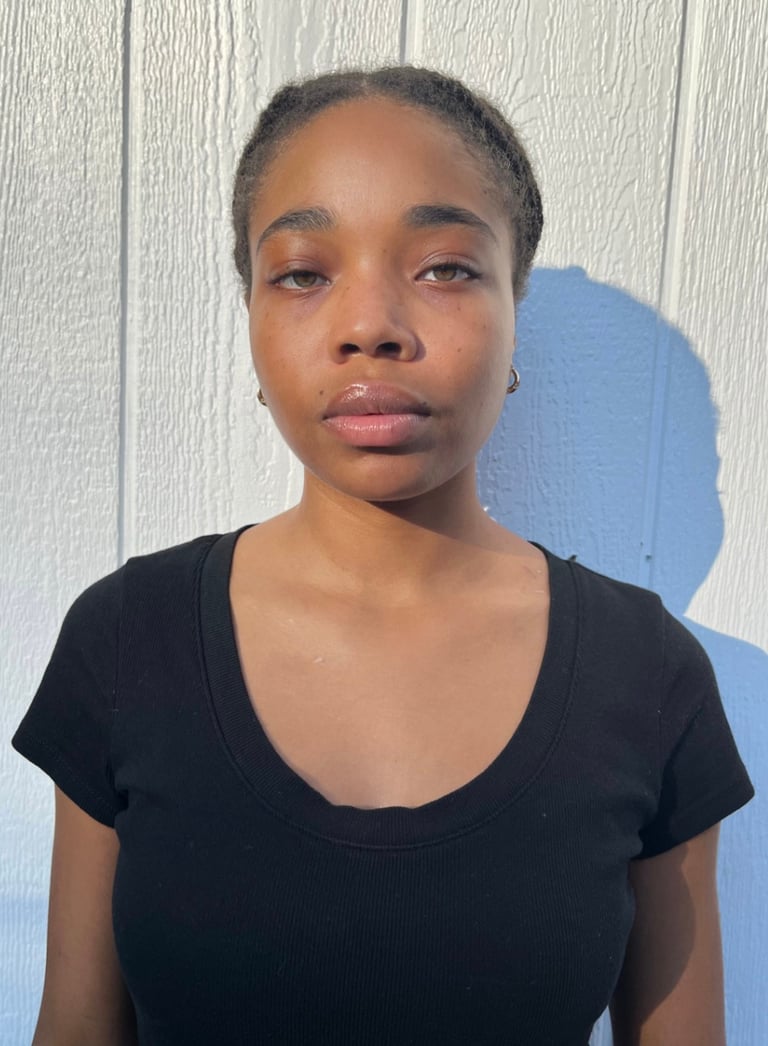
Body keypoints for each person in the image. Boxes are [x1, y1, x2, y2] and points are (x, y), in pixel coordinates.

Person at [13, 66, 753, 1046]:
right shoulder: (127, 640)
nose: (369, 326)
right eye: (303, 273)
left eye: (443, 267)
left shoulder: (648, 675)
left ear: (515, 308)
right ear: (252, 315)